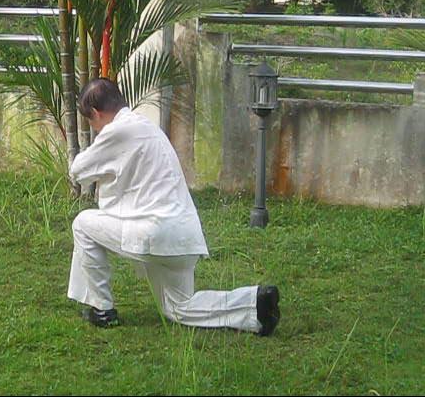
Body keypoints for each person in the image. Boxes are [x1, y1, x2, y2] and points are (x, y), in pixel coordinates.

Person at [67, 78, 280, 336]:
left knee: (83, 223)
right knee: (179, 308)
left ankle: (102, 309)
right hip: (183, 238)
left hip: (155, 234)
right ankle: (255, 305)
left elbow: (78, 170)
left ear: (97, 114)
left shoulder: (118, 130)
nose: (96, 129)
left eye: (92, 122)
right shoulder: (148, 127)